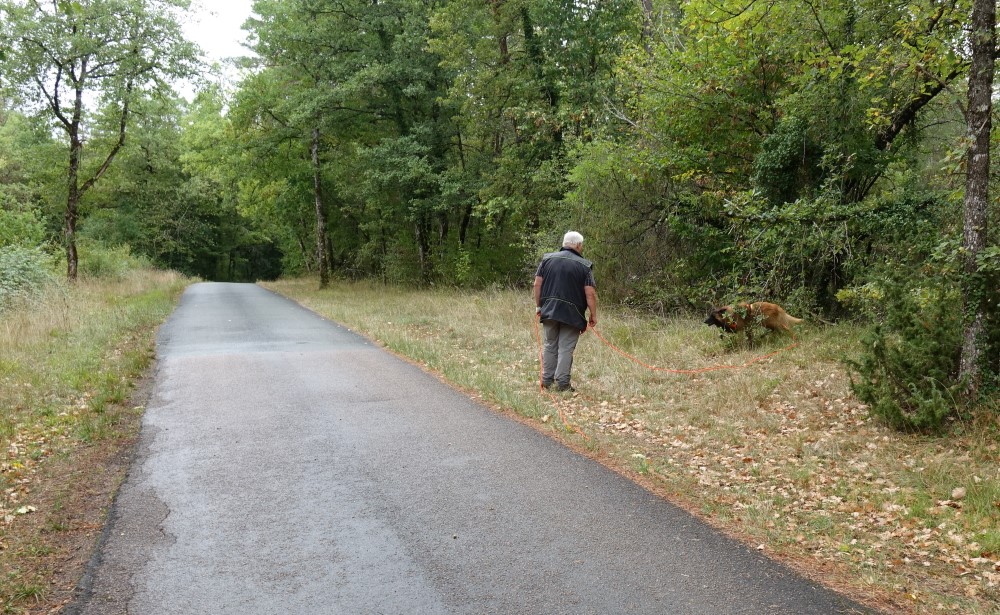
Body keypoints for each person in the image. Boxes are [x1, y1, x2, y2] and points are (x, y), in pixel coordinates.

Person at [533, 231, 598, 392]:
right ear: (578, 245)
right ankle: (563, 384)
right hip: (572, 314)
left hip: (549, 310)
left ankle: (546, 381)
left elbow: (537, 284)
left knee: (550, 345)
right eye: (582, 245)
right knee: (566, 348)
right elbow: (590, 293)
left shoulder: (547, 260)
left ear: (565, 243)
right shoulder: (585, 266)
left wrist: (539, 306)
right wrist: (593, 315)